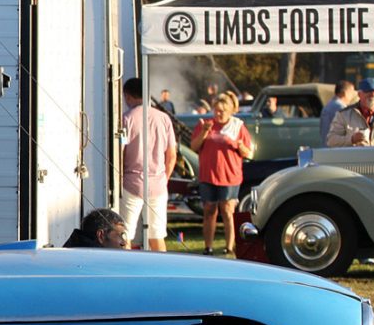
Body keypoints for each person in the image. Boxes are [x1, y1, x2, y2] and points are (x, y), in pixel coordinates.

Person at [191, 91, 252, 256]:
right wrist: (204, 132)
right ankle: (208, 247)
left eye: (222, 111)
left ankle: (229, 246)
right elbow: (194, 147)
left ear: (230, 111)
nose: (218, 114)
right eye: (216, 110)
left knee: (227, 210)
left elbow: (249, 153)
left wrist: (239, 146)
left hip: (230, 175)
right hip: (208, 175)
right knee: (209, 210)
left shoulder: (237, 126)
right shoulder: (206, 124)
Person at [119, 77, 177, 252]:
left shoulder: (126, 118)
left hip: (132, 181)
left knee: (125, 234)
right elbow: (172, 155)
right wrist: (165, 177)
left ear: (127, 96)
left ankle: (126, 272)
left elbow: (120, 153)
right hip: (158, 182)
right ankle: (164, 273)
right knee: (156, 235)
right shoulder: (164, 118)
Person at [326, 78, 374, 147]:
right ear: (359, 94)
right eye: (368, 91)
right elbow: (331, 140)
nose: (373, 95)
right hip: (356, 163)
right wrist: (352, 139)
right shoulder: (343, 115)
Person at [63, 208, 129, 249]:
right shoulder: (98, 264)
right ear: (101, 236)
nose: (124, 243)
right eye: (120, 235)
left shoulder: (68, 254)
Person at [320, 80, 357, 145]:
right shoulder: (341, 108)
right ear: (344, 93)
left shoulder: (328, 105)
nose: (352, 96)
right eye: (351, 93)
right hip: (337, 149)